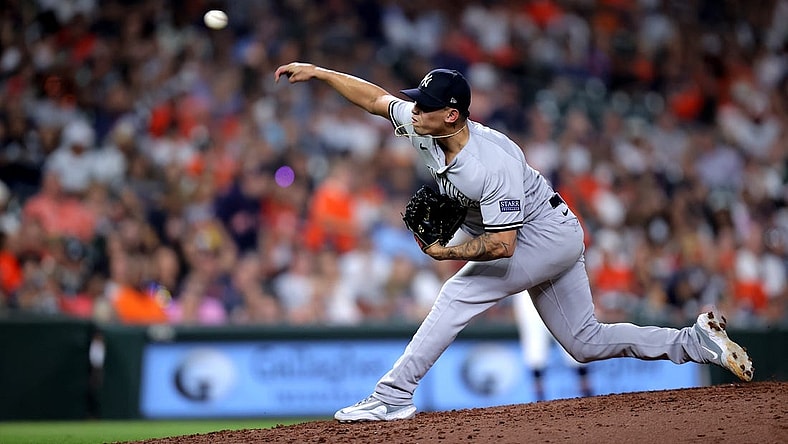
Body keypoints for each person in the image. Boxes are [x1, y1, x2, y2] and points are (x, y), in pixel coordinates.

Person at [273, 63, 755, 422]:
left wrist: (448, 253)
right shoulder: (428, 127)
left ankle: (394, 395)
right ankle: (694, 342)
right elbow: (377, 100)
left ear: (453, 114)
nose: (413, 111)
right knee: (584, 342)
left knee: (458, 292)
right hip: (549, 230)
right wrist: (320, 73)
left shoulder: (490, 163)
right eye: (416, 102)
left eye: (424, 105)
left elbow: (503, 247)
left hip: (542, 234)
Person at [513, 290, 592, 401]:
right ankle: (539, 402)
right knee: (535, 350)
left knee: (572, 342)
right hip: (527, 291)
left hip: (556, 287)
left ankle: (589, 397)